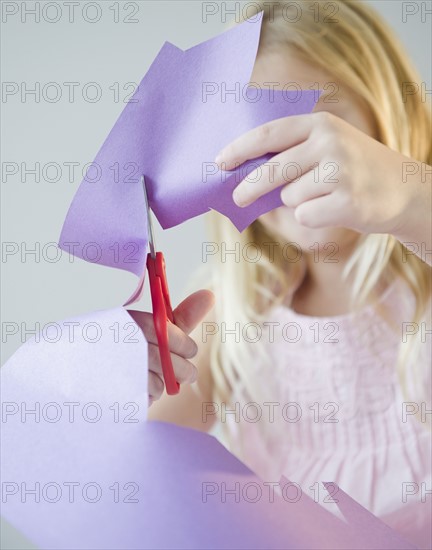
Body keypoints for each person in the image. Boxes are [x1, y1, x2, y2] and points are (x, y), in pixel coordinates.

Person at [129, 1, 431, 547]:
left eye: (315, 128)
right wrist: (132, 381)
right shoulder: (234, 318)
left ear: (385, 112)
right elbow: (149, 468)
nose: (284, 166)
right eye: (256, 141)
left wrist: (412, 195)